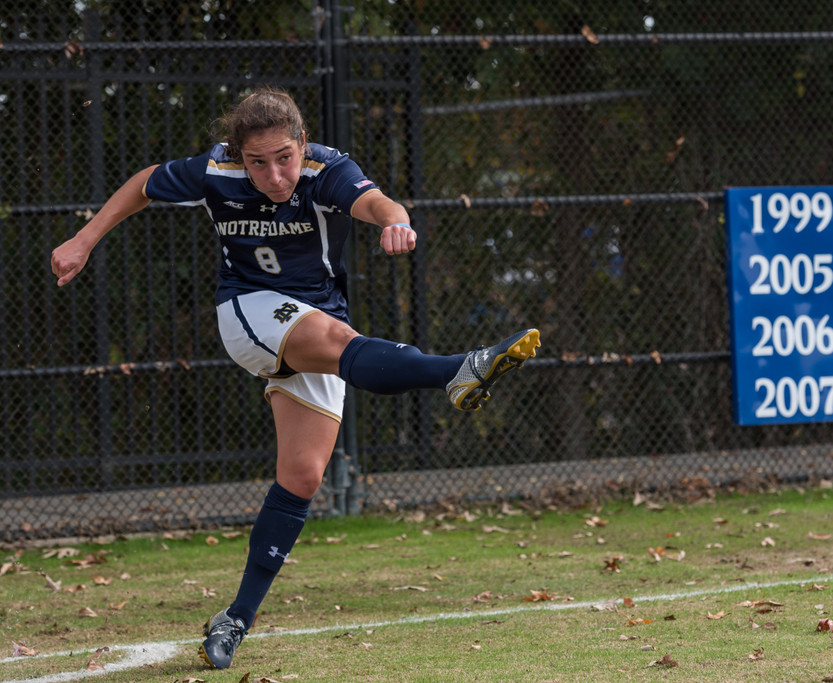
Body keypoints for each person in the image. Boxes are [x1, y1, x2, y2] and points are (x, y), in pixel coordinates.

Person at [50, 86, 540, 670]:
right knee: (338, 341)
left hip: (317, 321)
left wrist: (397, 222)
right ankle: (457, 370)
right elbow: (145, 182)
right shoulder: (216, 170)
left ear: (302, 144)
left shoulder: (325, 170)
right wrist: (84, 239)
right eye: (258, 162)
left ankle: (235, 617)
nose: (274, 175)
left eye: (284, 157)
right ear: (239, 155)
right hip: (248, 311)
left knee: (303, 476)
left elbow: (376, 203)